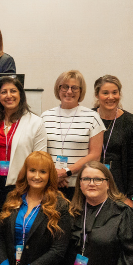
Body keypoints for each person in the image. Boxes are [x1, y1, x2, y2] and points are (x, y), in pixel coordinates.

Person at [0, 76, 47, 216]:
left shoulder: (35, 123)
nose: (9, 96)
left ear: (21, 94)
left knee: (13, 225)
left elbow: (41, 159)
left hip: (21, 184)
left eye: (13, 91)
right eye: (3, 92)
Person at [42, 70, 105, 200]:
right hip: (50, 184)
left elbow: (95, 155)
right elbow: (40, 152)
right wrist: (54, 175)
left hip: (80, 186)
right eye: (65, 86)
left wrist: (66, 172)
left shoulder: (92, 117)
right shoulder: (45, 116)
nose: (69, 91)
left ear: (81, 91)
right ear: (58, 89)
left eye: (74, 87)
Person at [93, 75, 133, 200]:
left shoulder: (132, 122)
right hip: (91, 184)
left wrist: (131, 196)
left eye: (115, 92)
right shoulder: (87, 118)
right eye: (105, 93)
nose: (111, 97)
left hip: (119, 187)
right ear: (97, 95)